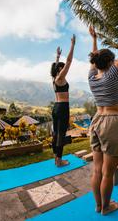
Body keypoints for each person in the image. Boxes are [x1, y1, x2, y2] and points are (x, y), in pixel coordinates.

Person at [88, 9, 118, 215]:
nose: (116, 63)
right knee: (108, 172)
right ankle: (106, 207)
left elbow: (93, 60)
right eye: (113, 61)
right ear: (109, 63)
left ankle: (98, 205)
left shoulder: (92, 77)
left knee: (97, 169)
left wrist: (94, 39)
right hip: (112, 122)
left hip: (96, 122)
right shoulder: (113, 74)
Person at [51, 35, 76, 167]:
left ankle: (56, 157)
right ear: (60, 69)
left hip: (56, 108)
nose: (63, 68)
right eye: (61, 67)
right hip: (62, 108)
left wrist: (57, 56)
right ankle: (59, 161)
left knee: (56, 133)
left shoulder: (54, 79)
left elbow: (57, 66)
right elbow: (69, 61)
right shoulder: (60, 78)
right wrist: (73, 45)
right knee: (61, 134)